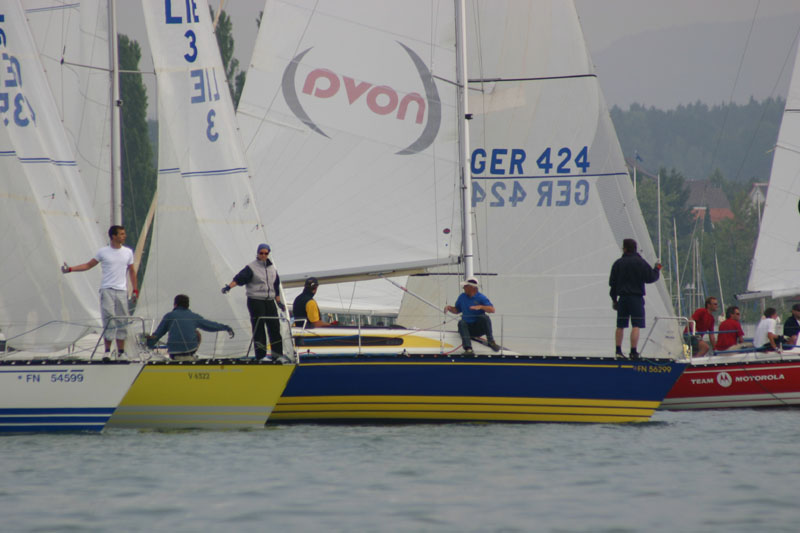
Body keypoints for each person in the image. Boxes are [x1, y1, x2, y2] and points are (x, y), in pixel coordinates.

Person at [61, 225, 137, 358]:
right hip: (107, 289)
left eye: (124, 233)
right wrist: (71, 269)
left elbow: (132, 271)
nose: (124, 236)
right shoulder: (103, 252)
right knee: (109, 320)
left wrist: (135, 290)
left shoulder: (128, 252)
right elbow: (88, 265)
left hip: (121, 290)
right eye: (121, 234)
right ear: (113, 236)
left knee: (122, 321)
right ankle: (107, 351)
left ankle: (121, 352)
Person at [222, 243, 283, 360]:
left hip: (270, 301)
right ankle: (261, 356)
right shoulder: (251, 268)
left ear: (268, 254)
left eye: (266, 253)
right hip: (256, 301)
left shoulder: (272, 269)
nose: (263, 255)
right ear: (258, 253)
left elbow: (275, 287)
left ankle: (278, 355)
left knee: (275, 328)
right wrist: (229, 287)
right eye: (261, 253)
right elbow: (239, 278)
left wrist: (279, 302)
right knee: (259, 329)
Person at [608, 238, 661, 360]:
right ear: (635, 249)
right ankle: (633, 352)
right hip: (636, 298)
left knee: (620, 325)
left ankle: (618, 351)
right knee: (636, 325)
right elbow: (650, 277)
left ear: (624, 249)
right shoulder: (640, 262)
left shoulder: (618, 263)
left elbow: (612, 284)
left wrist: (614, 300)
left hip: (622, 298)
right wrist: (657, 269)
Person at [146, 294, 234, 361]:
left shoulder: (169, 316)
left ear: (175, 304)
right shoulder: (193, 316)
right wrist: (226, 328)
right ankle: (191, 356)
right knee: (197, 333)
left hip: (173, 353)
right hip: (190, 350)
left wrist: (148, 345)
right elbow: (209, 325)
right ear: (188, 305)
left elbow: (159, 333)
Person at [445, 278, 500, 355]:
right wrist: (449, 308)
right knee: (461, 322)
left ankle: (491, 342)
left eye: (465, 286)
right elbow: (457, 310)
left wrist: (481, 307)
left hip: (478, 328)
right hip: (467, 328)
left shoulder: (481, 297)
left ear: (472, 287)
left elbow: (492, 310)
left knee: (484, 318)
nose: (463, 288)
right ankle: (468, 349)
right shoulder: (462, 297)